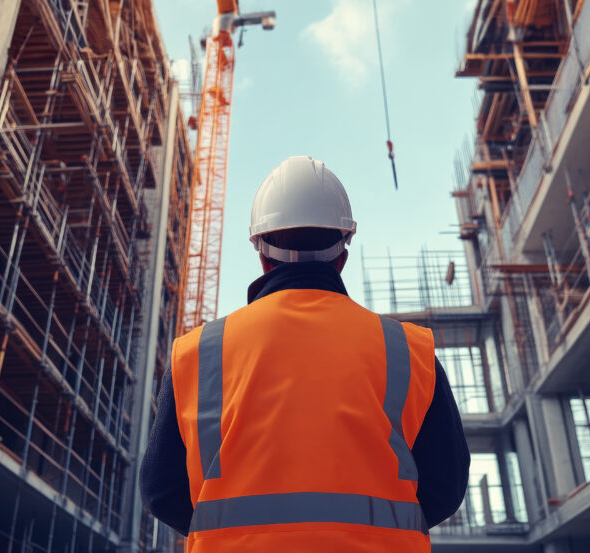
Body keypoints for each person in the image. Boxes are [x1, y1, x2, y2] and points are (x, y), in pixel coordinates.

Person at [140, 156, 470, 552]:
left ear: (261, 256)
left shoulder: (195, 355)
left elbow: (161, 491)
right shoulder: (410, 351)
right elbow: (446, 486)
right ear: (342, 257)